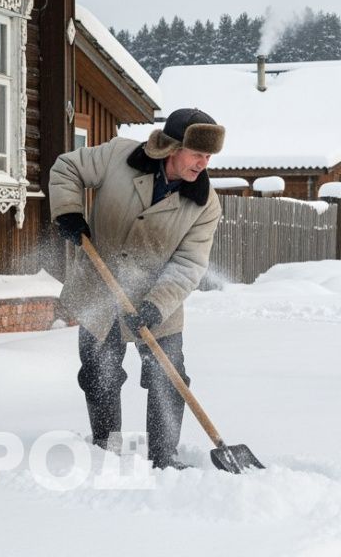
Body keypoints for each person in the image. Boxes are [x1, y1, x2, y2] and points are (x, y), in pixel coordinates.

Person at [48, 108, 225, 470]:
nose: (203, 164)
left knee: (168, 378)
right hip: (100, 287)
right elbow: (67, 167)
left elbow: (189, 264)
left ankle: (165, 458)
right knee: (99, 372)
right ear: (172, 147)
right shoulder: (119, 156)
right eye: (197, 153)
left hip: (159, 299)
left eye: (209, 156)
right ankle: (106, 447)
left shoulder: (204, 204)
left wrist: (156, 306)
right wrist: (68, 212)